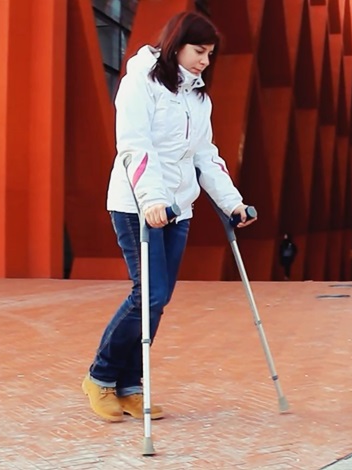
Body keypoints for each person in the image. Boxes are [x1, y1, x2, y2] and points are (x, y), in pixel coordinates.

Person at [82, 12, 256, 422]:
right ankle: (100, 377)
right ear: (177, 44)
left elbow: (204, 156)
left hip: (179, 210)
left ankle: (128, 385)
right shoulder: (140, 83)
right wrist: (152, 199)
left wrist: (233, 203)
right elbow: (134, 146)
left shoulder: (198, 98)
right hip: (136, 204)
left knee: (158, 301)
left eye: (210, 55)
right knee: (149, 294)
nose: (205, 62)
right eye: (199, 51)